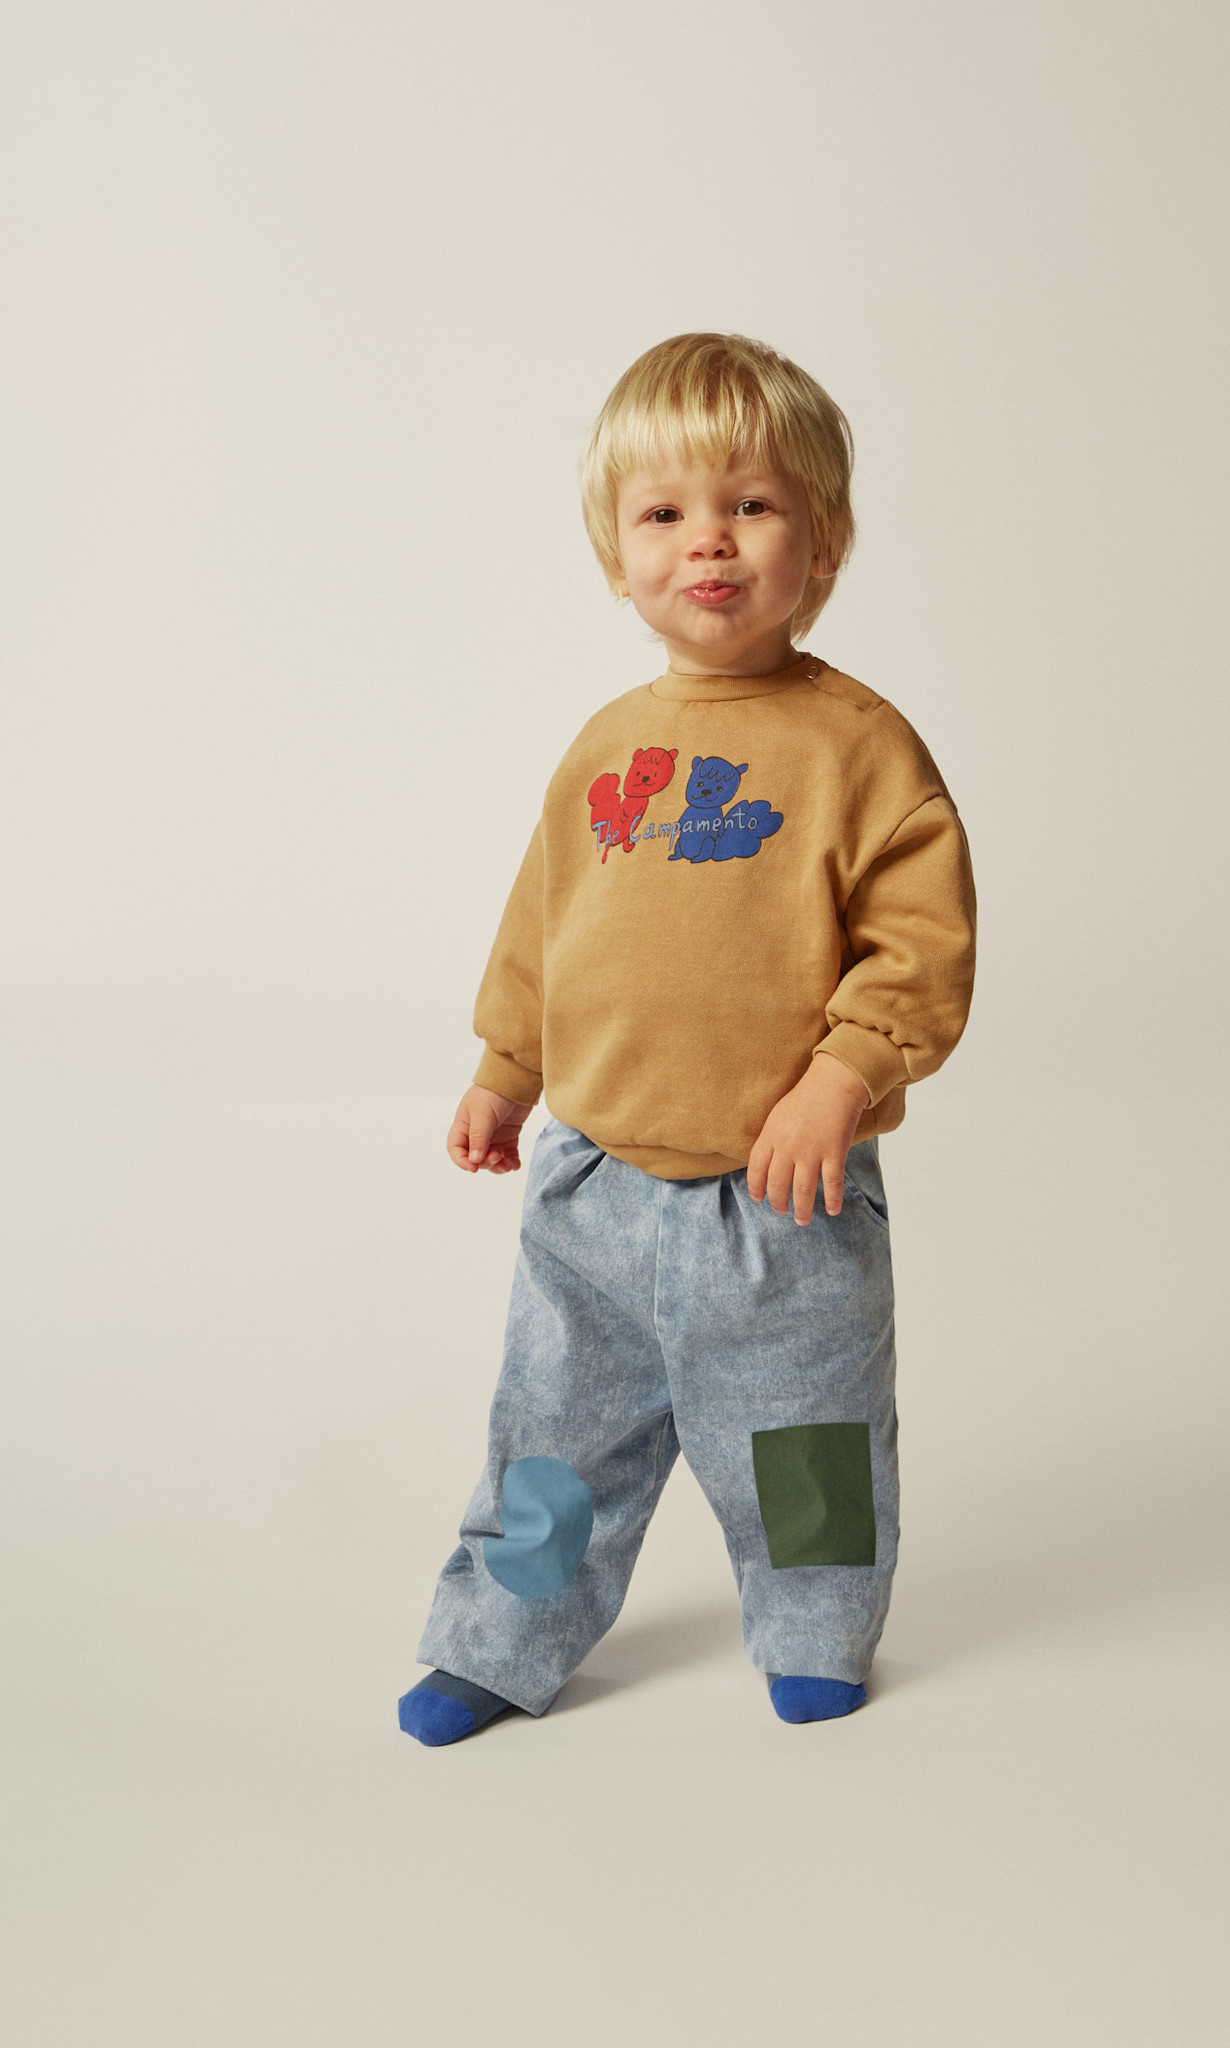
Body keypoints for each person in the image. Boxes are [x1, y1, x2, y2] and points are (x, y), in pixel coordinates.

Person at [399, 332, 977, 1745]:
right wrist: (506, 1069)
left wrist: (842, 1077)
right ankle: (506, 1637)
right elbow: (545, 926)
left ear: (822, 543)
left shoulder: (859, 747)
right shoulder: (606, 746)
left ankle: (817, 1627)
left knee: (807, 1441)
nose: (707, 541)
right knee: (553, 1445)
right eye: (664, 512)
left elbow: (920, 946)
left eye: (751, 505)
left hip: (782, 1200)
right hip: (594, 1188)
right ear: (617, 555)